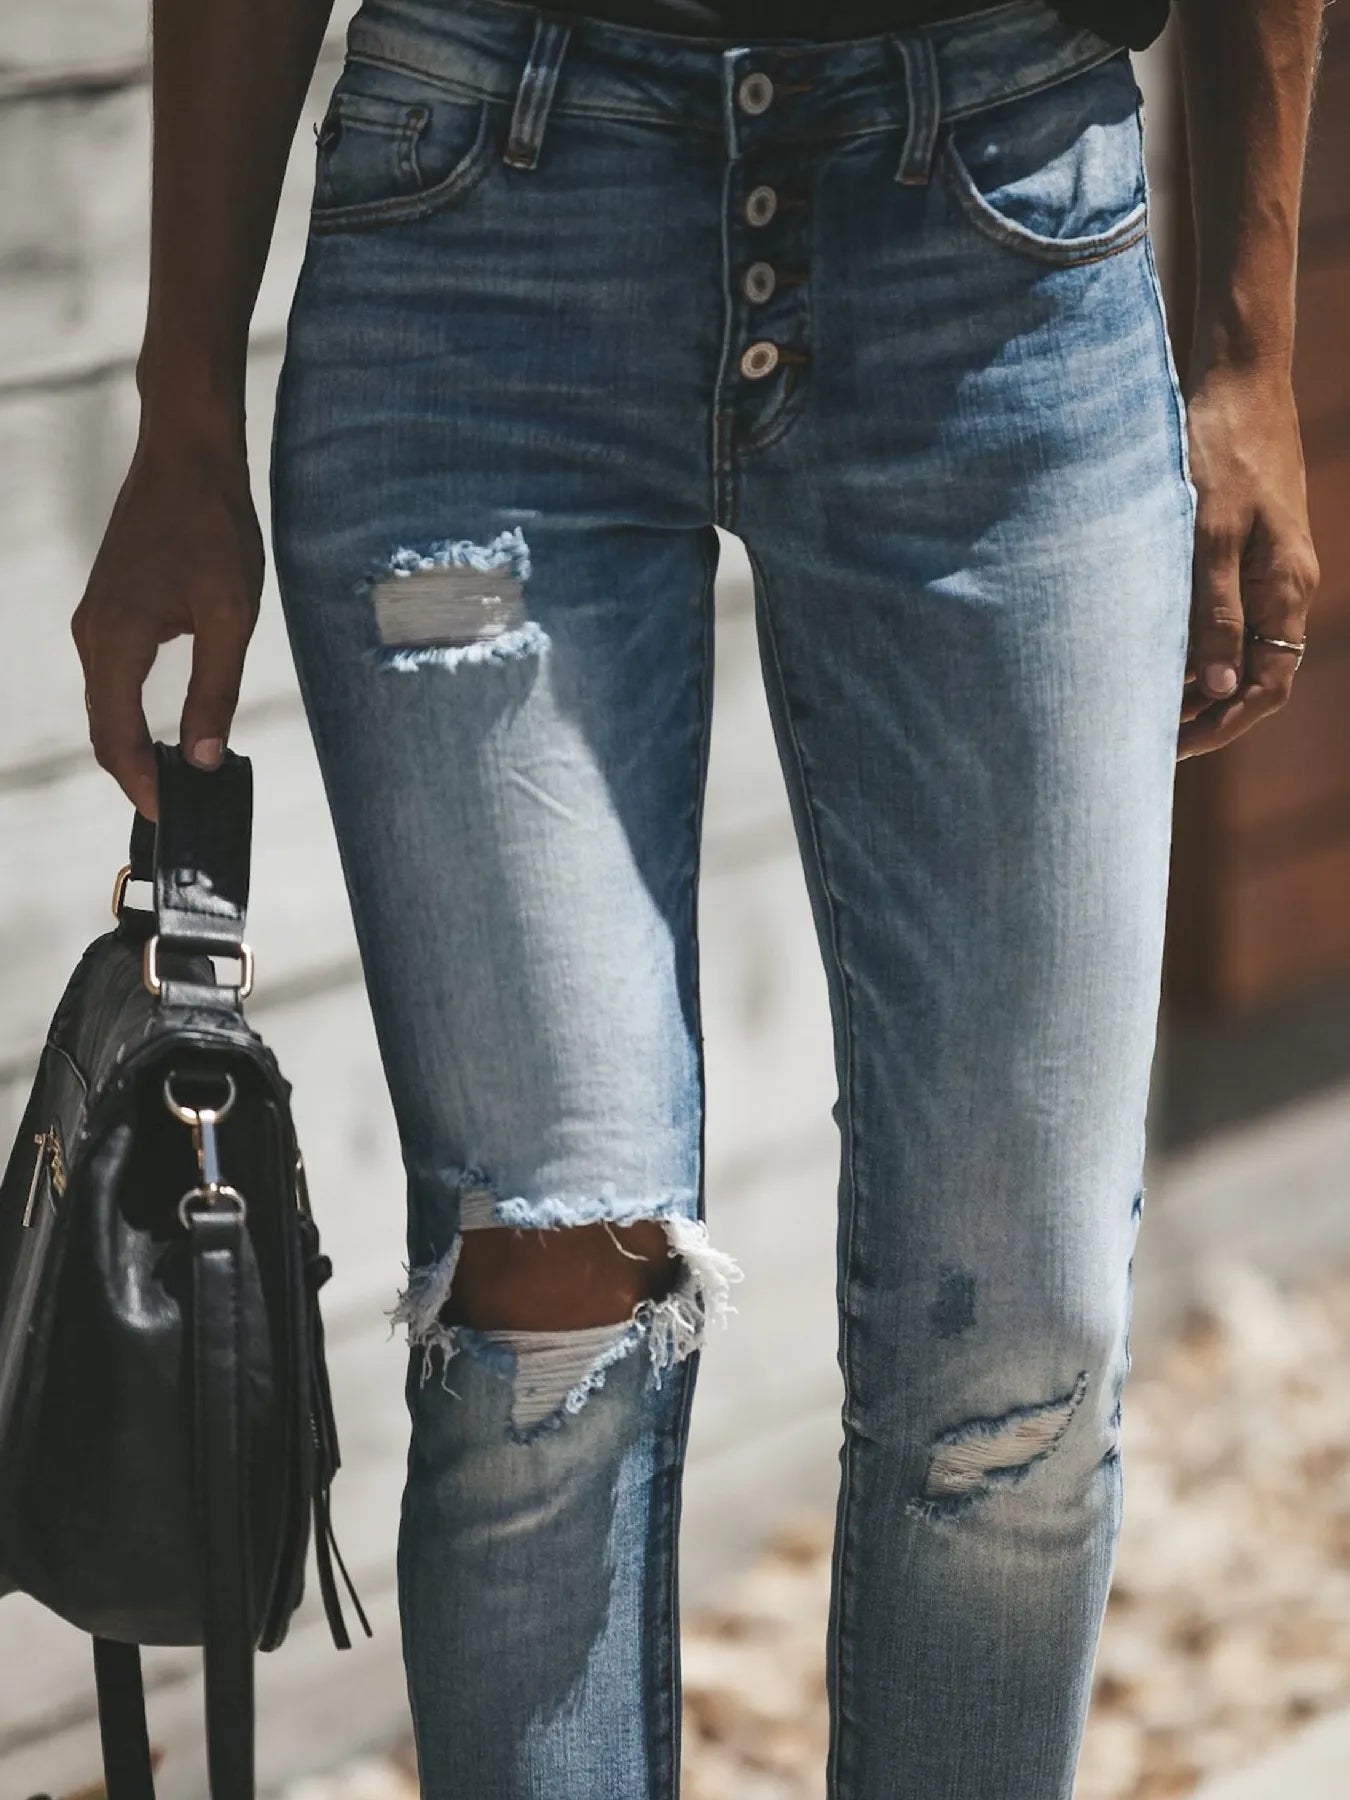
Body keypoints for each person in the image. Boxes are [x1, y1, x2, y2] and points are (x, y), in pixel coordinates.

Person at [71, 0, 1323, 1793]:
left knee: (1020, 1342)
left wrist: (1247, 349)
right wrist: (180, 395)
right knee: (543, 1313)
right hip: (484, 223)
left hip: (994, 231)